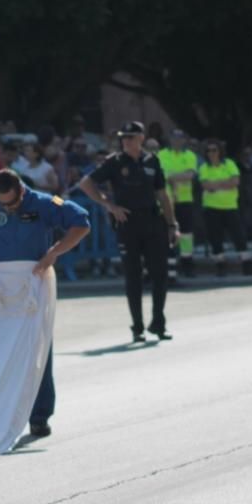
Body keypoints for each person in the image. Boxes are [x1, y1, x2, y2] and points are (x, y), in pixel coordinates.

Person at [0, 169, 90, 437]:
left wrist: (54, 253)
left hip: (33, 282)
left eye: (11, 203)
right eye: (2, 204)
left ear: (21, 191)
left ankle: (39, 415)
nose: (7, 208)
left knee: (37, 349)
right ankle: (0, 411)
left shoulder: (44, 204)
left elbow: (81, 222)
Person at [77, 121, 178, 342]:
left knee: (159, 275)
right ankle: (137, 327)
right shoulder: (114, 162)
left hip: (153, 221)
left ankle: (158, 324)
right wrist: (109, 206)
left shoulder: (152, 161)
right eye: (123, 138)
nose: (126, 141)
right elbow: (86, 183)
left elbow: (162, 194)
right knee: (133, 277)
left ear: (141, 138)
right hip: (128, 222)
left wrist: (172, 224)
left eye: (130, 137)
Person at [199, 140, 252, 277]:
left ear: (220, 151)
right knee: (215, 239)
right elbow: (205, 185)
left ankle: (248, 265)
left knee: (239, 236)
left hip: (230, 206)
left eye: (214, 150)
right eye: (209, 150)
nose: (211, 153)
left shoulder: (229, 164)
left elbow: (235, 182)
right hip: (211, 207)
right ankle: (220, 266)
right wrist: (224, 183)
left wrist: (215, 185)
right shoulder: (204, 167)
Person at [157, 128, 199, 278]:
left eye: (180, 138)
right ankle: (170, 263)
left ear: (184, 140)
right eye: (174, 138)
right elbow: (161, 176)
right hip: (167, 201)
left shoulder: (190, 155)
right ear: (170, 139)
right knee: (168, 231)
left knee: (186, 233)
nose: (177, 140)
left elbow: (190, 175)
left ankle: (187, 262)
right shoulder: (161, 155)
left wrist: (171, 176)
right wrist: (178, 176)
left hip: (185, 200)